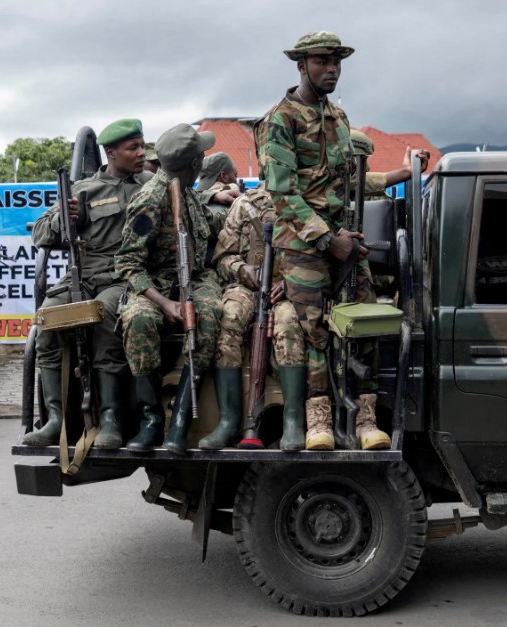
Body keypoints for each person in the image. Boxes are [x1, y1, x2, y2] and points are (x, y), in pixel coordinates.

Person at [255, 31, 395, 451]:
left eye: (336, 62)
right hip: (303, 244)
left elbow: (346, 180)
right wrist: (327, 239)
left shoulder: (338, 116)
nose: (331, 68)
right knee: (314, 332)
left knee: (364, 318)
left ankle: (364, 418)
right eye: (321, 62)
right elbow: (282, 194)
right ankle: (319, 422)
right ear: (301, 66)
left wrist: (347, 235)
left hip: (345, 238)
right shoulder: (280, 119)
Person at [22, 119, 152, 448]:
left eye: (142, 145)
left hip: (122, 274)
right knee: (48, 317)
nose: (141, 153)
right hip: (84, 272)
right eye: (132, 148)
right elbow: (40, 234)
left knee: (106, 315)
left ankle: (110, 419)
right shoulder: (82, 190)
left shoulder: (151, 184)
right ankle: (55, 420)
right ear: (110, 153)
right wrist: (63, 217)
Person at [115, 123, 225, 455]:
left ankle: (179, 423)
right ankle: (150, 422)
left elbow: (207, 223)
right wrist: (165, 304)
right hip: (156, 284)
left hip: (196, 277)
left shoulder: (188, 192)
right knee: (138, 319)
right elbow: (128, 263)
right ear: (193, 165)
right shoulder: (150, 200)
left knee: (209, 313)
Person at [199, 185, 280, 449]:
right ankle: (229, 422)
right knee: (229, 317)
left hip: (289, 288)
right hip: (247, 285)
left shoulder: (304, 203)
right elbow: (222, 259)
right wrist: (240, 268)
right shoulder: (245, 204)